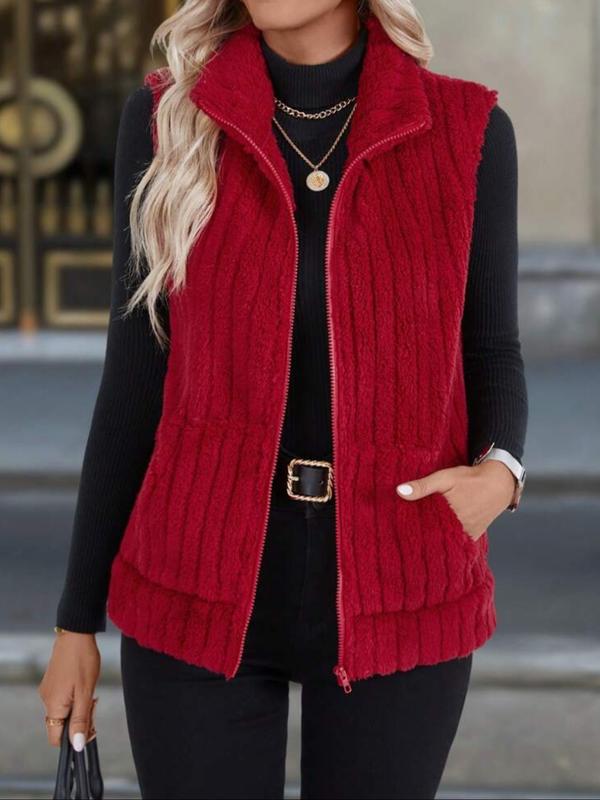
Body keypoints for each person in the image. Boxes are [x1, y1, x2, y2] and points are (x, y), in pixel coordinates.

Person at [38, 1, 528, 797]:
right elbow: (133, 381)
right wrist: (76, 621)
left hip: (400, 578)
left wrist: (501, 473)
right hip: (193, 584)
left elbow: (491, 348)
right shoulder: (168, 121)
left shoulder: (466, 130)